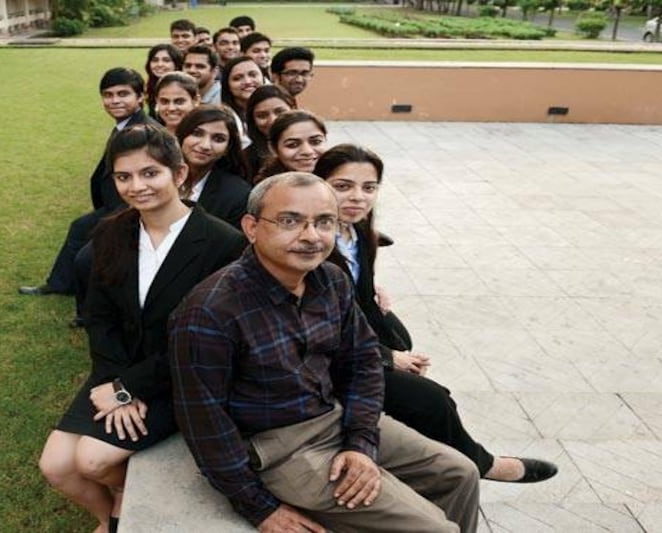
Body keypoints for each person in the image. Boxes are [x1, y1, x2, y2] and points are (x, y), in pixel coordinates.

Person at [169, 172, 480, 533]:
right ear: (251, 227)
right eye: (290, 221)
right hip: (280, 448)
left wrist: (361, 444)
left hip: (335, 418)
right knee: (435, 529)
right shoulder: (210, 312)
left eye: (324, 222)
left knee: (460, 473)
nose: (311, 236)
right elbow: (203, 420)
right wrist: (258, 508)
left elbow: (363, 362)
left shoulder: (330, 280)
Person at [39, 124, 247, 533]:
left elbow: (208, 342)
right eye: (124, 177)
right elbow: (99, 319)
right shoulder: (109, 233)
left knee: (93, 460)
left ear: (179, 173)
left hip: (183, 378)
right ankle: (109, 515)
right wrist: (115, 382)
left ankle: (122, 507)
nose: (137, 186)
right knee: (56, 467)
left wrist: (128, 389)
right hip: (116, 369)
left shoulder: (225, 244)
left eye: (150, 173)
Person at [314, 144, 559, 484]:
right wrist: (386, 358)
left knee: (401, 338)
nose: (358, 197)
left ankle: (408, 435)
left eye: (368, 188)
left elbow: (359, 296)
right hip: (319, 358)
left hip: (352, 330)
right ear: (319, 185)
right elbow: (317, 330)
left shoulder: (358, 229)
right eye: (343, 186)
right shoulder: (312, 245)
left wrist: (379, 315)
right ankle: (483, 464)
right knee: (432, 398)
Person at [19, 68, 155, 297]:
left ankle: (88, 307)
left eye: (123, 94)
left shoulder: (142, 131)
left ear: (140, 97)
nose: (114, 101)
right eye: (108, 95)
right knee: (79, 228)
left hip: (130, 209)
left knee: (90, 251)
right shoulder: (126, 125)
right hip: (114, 205)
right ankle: (61, 284)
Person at [175, 105, 251, 228]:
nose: (205, 145)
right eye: (197, 133)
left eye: (218, 139)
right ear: (182, 135)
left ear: (228, 148)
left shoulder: (237, 195)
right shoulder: (155, 176)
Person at [255, 109, 327, 181]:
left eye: (316, 142)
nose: (307, 151)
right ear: (273, 148)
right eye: (293, 145)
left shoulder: (333, 181)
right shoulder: (268, 189)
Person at [243, 85, 296, 179]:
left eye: (280, 112)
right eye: (262, 116)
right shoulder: (244, 161)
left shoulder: (312, 150)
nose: (272, 120)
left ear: (294, 109)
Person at [144, 44, 183, 120]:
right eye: (155, 60)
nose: (159, 64)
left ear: (176, 64)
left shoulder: (184, 88)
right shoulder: (152, 87)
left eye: (166, 60)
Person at [220, 56, 263, 122]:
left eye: (253, 75)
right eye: (237, 78)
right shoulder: (221, 118)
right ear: (227, 86)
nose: (247, 82)